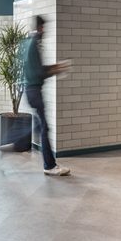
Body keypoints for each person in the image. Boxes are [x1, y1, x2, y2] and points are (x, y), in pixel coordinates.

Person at [22, 16, 71, 176]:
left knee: (39, 125)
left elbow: (35, 69)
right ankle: (49, 165)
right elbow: (38, 73)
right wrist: (57, 69)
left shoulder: (27, 42)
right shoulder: (34, 45)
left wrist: (54, 68)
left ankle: (18, 139)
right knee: (44, 128)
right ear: (40, 28)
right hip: (35, 91)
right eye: (45, 28)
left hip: (30, 91)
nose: (46, 31)